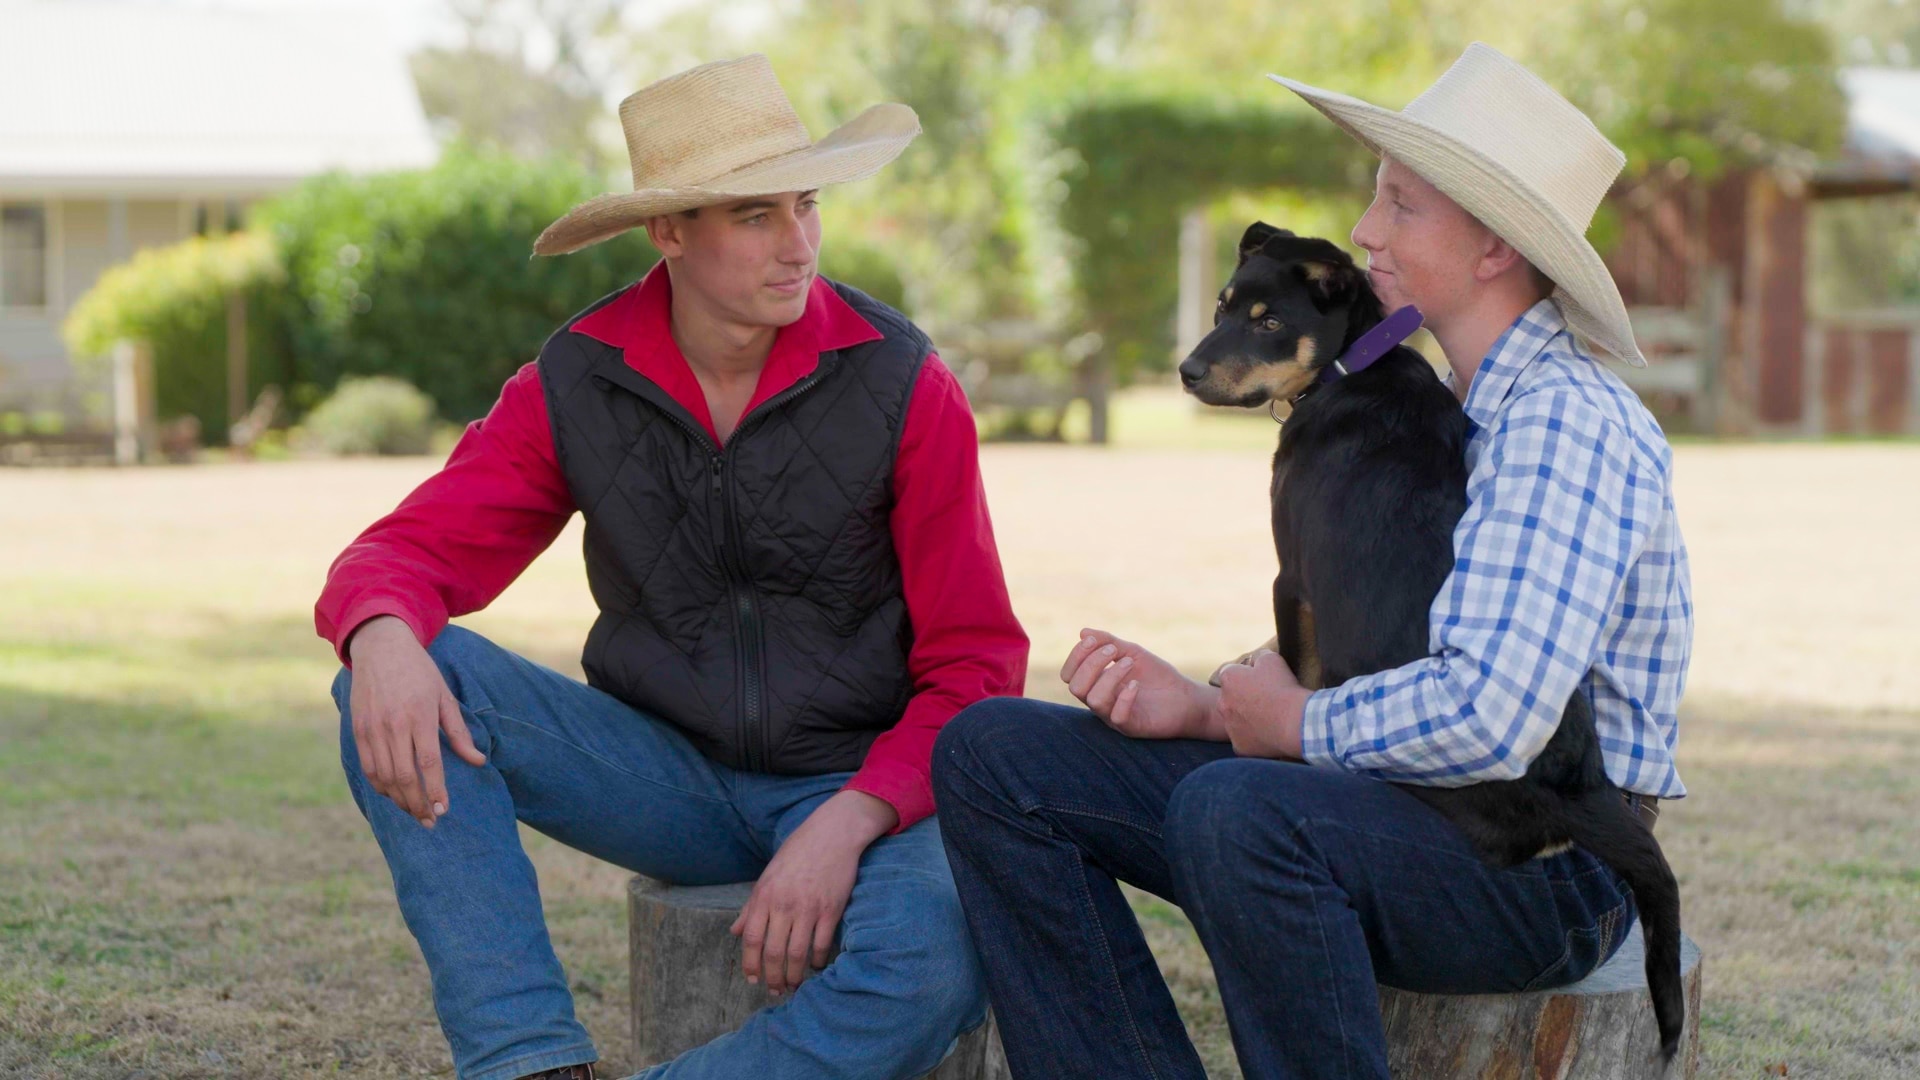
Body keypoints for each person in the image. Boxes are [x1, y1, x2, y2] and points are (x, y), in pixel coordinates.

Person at [931, 43, 1692, 1079]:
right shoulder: (1445, 403)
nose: (1366, 230)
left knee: (1239, 813)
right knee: (994, 755)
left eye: (1401, 204)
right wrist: (1213, 710)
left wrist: (1291, 726)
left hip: (1545, 863)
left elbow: (1491, 715)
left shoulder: (1563, 426)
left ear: (1492, 249)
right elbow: (1390, 635)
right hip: (1400, 801)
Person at [319, 55, 1027, 1080]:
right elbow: (407, 550)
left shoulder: (901, 381)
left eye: (807, 205)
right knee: (393, 678)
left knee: (938, 963)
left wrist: (850, 819)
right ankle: (527, 1061)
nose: (798, 244)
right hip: (665, 779)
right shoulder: (580, 378)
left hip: (867, 782)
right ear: (669, 231)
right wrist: (381, 635)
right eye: (754, 216)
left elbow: (977, 663)